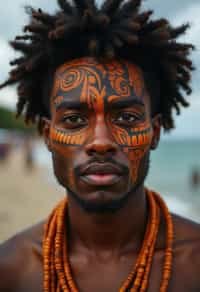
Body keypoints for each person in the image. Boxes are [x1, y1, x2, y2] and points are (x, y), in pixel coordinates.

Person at [0, 0, 200, 291]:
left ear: (154, 132)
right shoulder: (12, 269)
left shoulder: (194, 263)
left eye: (127, 117)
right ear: (47, 134)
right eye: (74, 119)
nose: (101, 142)